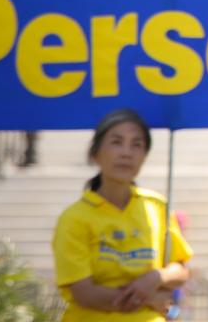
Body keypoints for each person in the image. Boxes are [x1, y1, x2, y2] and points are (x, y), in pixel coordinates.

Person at [52, 109, 192, 322]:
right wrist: (149, 298)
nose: (127, 153)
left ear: (145, 156)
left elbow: (180, 269)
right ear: (95, 153)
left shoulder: (157, 206)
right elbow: (85, 294)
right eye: (117, 142)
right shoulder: (74, 218)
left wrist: (156, 277)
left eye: (137, 145)